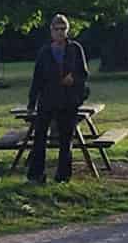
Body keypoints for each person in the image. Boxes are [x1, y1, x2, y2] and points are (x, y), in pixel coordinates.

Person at [25, 13, 89, 183]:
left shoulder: (75, 49)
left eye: (63, 29)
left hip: (68, 100)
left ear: (67, 30)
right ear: (51, 31)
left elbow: (83, 74)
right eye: (57, 29)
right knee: (39, 138)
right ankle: (36, 175)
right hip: (47, 99)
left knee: (65, 140)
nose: (60, 32)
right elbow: (37, 79)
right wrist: (31, 103)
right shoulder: (45, 52)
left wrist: (73, 79)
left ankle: (63, 176)